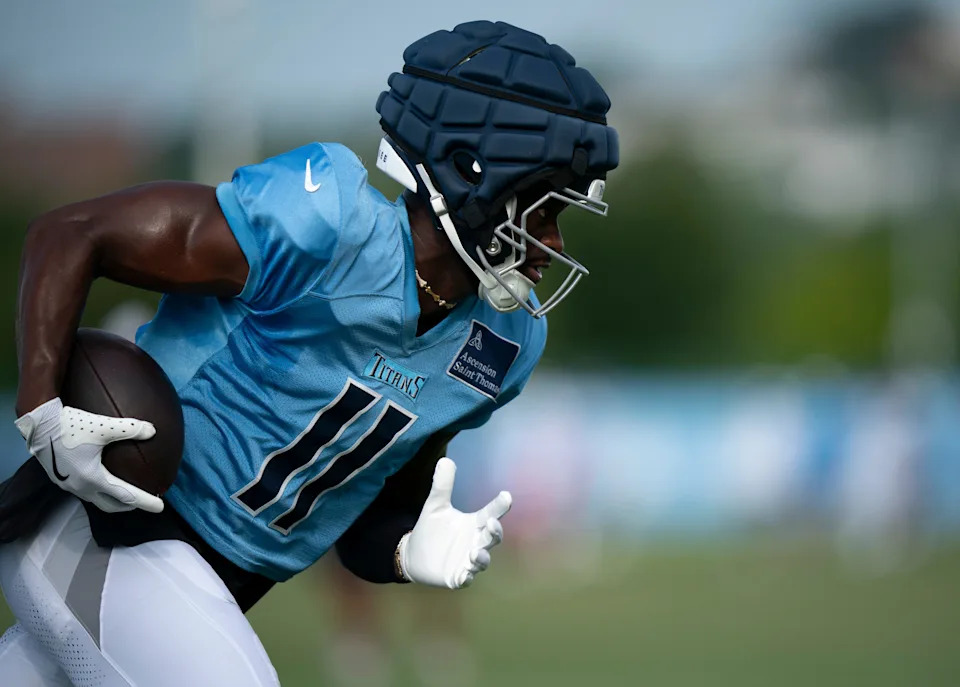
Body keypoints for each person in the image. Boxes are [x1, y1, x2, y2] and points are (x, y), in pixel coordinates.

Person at [0, 19, 619, 686]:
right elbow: (70, 234)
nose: (552, 243)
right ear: (477, 177)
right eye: (541, 210)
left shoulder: (500, 347)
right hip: (100, 529)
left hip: (203, 585)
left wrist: (411, 549)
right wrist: (41, 406)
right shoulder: (326, 225)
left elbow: (364, 520)